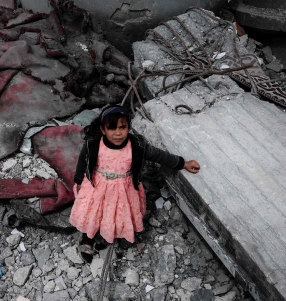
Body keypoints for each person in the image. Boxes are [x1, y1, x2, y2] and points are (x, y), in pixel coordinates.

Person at [70, 106, 200, 256]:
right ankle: (87, 237)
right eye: (112, 128)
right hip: (97, 187)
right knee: (94, 212)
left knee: (116, 214)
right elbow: (82, 161)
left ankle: (112, 235)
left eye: (122, 127)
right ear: (103, 130)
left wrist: (183, 163)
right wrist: (79, 180)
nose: (117, 133)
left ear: (129, 127)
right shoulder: (93, 144)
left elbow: (159, 156)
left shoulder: (137, 146)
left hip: (123, 190)